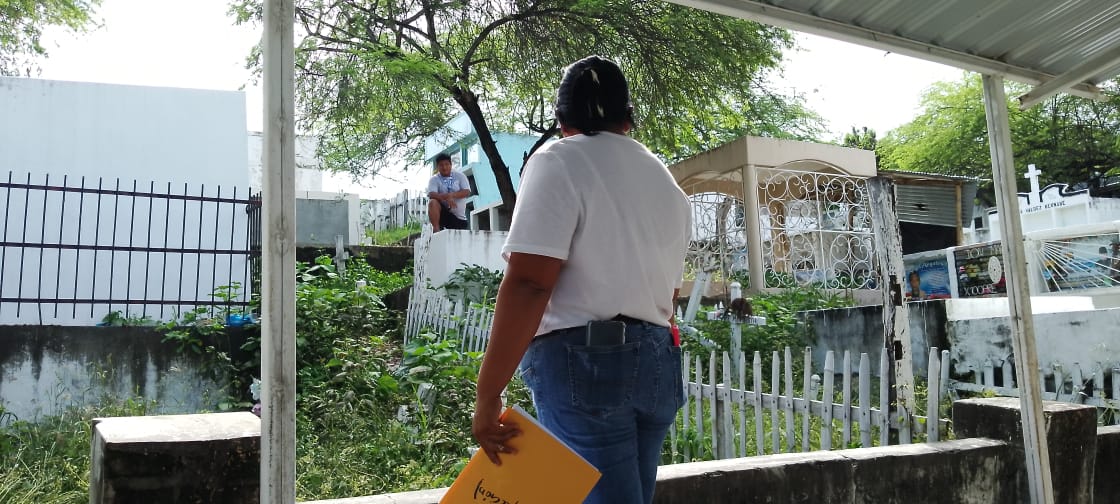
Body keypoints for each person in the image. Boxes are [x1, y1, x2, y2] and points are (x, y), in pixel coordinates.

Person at [471, 55, 691, 504]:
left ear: (561, 120)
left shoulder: (558, 159)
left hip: (587, 366)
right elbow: (668, 294)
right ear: (628, 118)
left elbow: (531, 282)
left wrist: (488, 393)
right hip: (658, 361)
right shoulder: (665, 181)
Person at [427, 152, 471, 231]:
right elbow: (431, 194)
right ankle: (435, 231)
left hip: (459, 219)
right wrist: (446, 198)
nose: (444, 167)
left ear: (451, 165)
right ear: (437, 167)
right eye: (441, 165)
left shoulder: (460, 176)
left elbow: (467, 191)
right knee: (432, 202)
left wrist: (452, 195)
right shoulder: (434, 179)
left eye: (446, 164)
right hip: (443, 215)